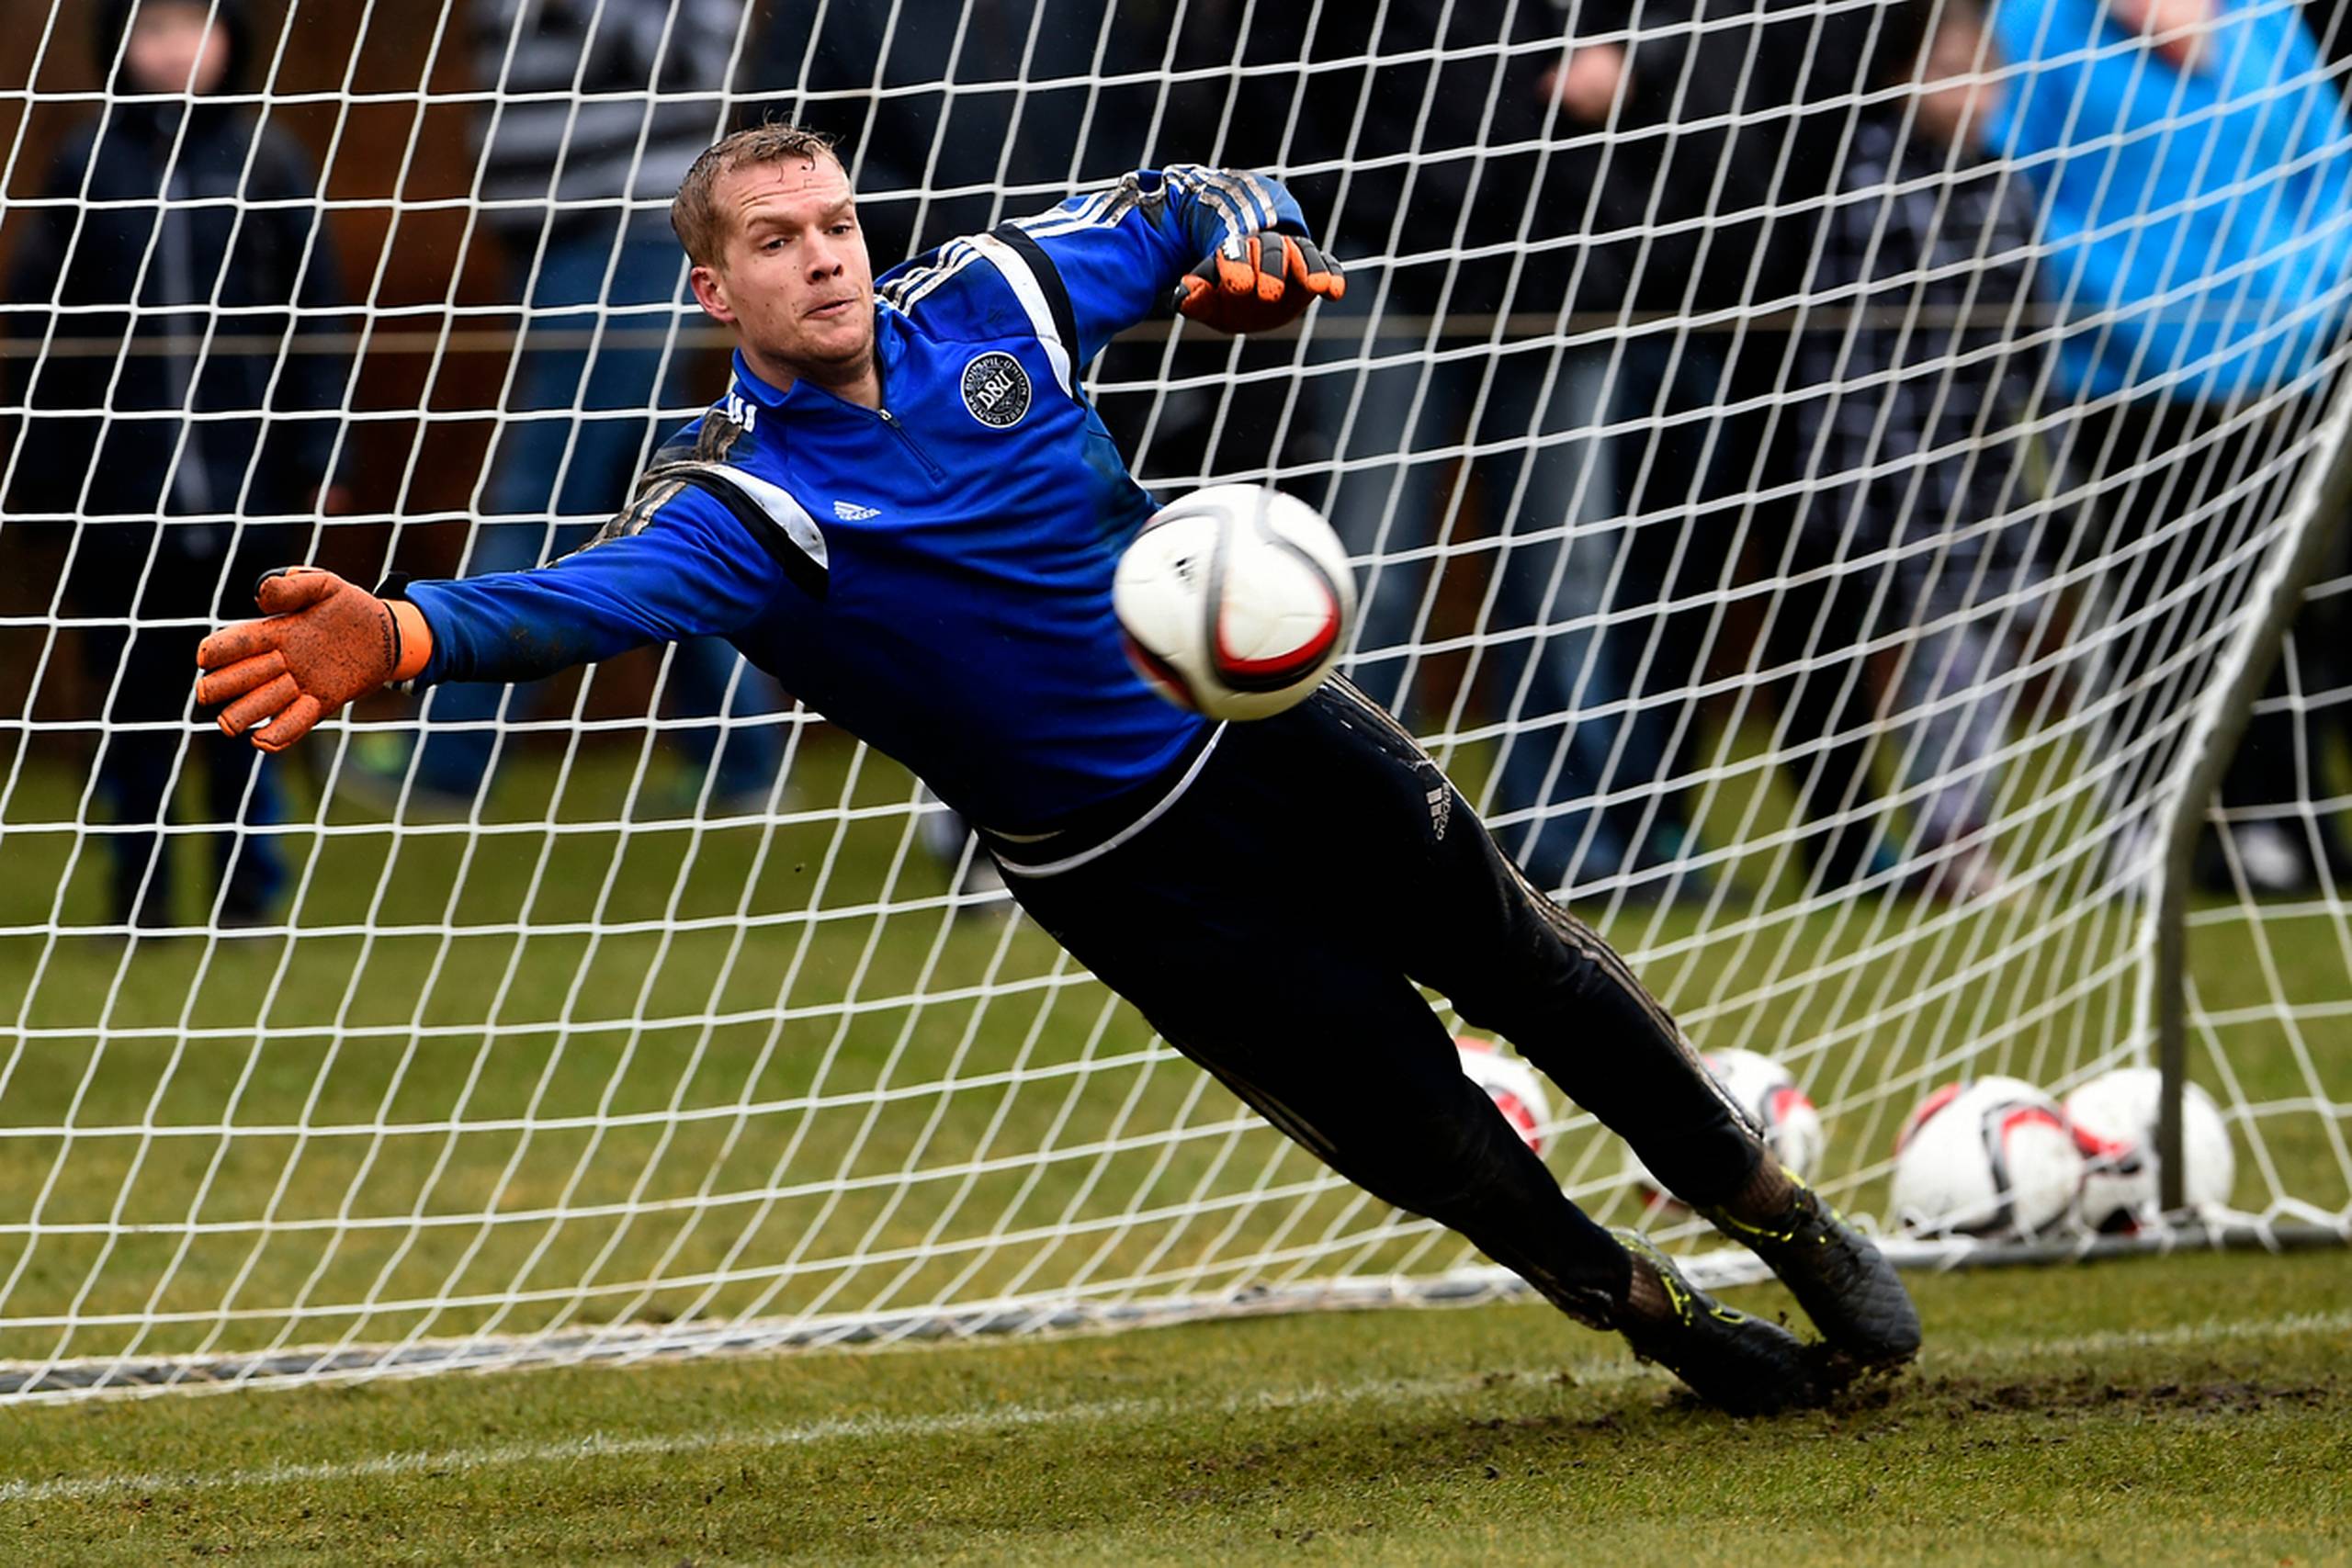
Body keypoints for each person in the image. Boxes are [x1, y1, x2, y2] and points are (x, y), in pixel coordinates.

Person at [190, 125, 1920, 1412]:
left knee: (1533, 969)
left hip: (1272, 731)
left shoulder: (997, 295)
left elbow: (1203, 198)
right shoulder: (741, 508)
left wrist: (1257, 251)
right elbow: (573, 600)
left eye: (838, 222)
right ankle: (1654, 1313)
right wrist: (399, 635)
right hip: (1123, 872)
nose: (825, 256)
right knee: (1424, 1132)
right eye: (777, 240)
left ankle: (1776, 1208)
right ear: (713, 290)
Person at [347, 0, 786, 818]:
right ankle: (741, 758)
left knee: (538, 499)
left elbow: (693, 65)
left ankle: (448, 755)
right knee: (662, 502)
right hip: (543, 232)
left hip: (623, 230)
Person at [1991, 0, 2352, 893]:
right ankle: (2150, 833)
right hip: (2120, 382)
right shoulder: (2037, 26)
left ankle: (2279, 819)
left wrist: (2297, 309)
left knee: (2280, 609)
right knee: (2155, 613)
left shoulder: (2265, 23)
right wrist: (2153, 325)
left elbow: (2329, 176)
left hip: (2277, 374)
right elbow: (2016, 192)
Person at [5, 0, 347, 931]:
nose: (174, 48)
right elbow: (40, 324)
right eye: (153, 30)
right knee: (134, 706)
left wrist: (321, 452)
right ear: (120, 45)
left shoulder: (267, 159)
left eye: (194, 27)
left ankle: (247, 893)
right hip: (120, 497)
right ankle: (138, 896)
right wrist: (44, 470)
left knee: (250, 691)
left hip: (251, 494)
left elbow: (317, 320)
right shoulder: (87, 164)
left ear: (232, 38)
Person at [1783, 0, 2053, 903]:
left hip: (1982, 462)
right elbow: (1848, 352)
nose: (1973, 92)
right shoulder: (1864, 178)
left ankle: (1959, 826)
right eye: (1953, 70)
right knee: (1930, 653)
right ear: (1905, 73)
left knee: (2002, 629)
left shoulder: (2002, 178)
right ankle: (1946, 836)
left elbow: (2026, 321)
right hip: (1887, 464)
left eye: (1987, 73)